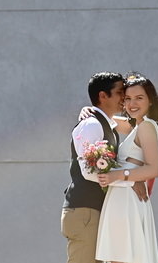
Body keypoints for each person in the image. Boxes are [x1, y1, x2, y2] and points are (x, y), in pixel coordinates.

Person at [95, 73, 158, 263]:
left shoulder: (146, 126)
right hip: (123, 196)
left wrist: (118, 175)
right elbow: (107, 119)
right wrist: (89, 111)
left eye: (139, 98)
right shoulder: (137, 126)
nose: (132, 104)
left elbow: (154, 169)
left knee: (122, 258)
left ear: (151, 101)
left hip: (127, 198)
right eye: (127, 99)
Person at [62, 72, 125, 263]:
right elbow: (89, 171)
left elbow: (140, 123)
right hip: (85, 212)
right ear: (103, 96)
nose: (124, 98)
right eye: (120, 92)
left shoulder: (106, 124)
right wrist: (127, 178)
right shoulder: (91, 124)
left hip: (92, 211)